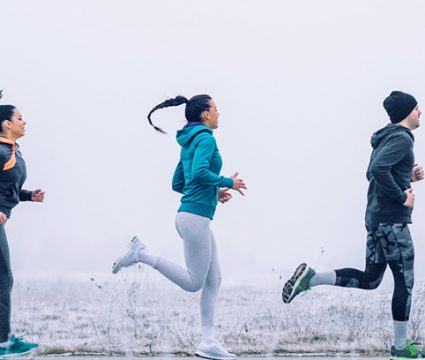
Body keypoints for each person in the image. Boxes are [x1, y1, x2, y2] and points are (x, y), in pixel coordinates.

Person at [282, 90, 424, 359]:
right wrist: (402, 197)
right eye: (418, 108)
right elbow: (379, 170)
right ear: (407, 112)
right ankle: (401, 347)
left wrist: (408, 178)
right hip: (392, 222)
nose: (421, 113)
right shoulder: (402, 139)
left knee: (371, 279)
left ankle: (313, 278)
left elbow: (373, 171)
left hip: (377, 219)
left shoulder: (385, 137)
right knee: (404, 282)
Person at [112, 94, 246, 360]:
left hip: (192, 215)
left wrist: (214, 193)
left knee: (213, 278)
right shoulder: (206, 138)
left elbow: (178, 183)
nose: (219, 113)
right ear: (205, 114)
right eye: (216, 109)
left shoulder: (188, 141)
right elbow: (198, 174)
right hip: (194, 218)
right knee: (194, 282)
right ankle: (141, 254)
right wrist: (226, 183)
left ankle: (208, 342)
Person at [0, 90, 45, 357]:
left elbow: (6, 187)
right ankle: (3, 343)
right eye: (19, 117)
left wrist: (28, 195)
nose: (24, 121)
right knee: (4, 279)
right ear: (7, 123)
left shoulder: (11, 150)